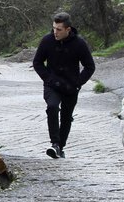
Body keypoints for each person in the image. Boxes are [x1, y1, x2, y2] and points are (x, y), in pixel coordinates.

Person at [32, 11, 96, 159]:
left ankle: (60, 147)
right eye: (54, 28)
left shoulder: (79, 44)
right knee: (52, 107)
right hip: (52, 84)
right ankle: (54, 143)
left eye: (59, 29)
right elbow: (37, 62)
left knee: (66, 118)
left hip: (70, 87)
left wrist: (78, 83)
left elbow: (90, 67)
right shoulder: (47, 41)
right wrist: (47, 78)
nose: (55, 32)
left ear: (68, 29)